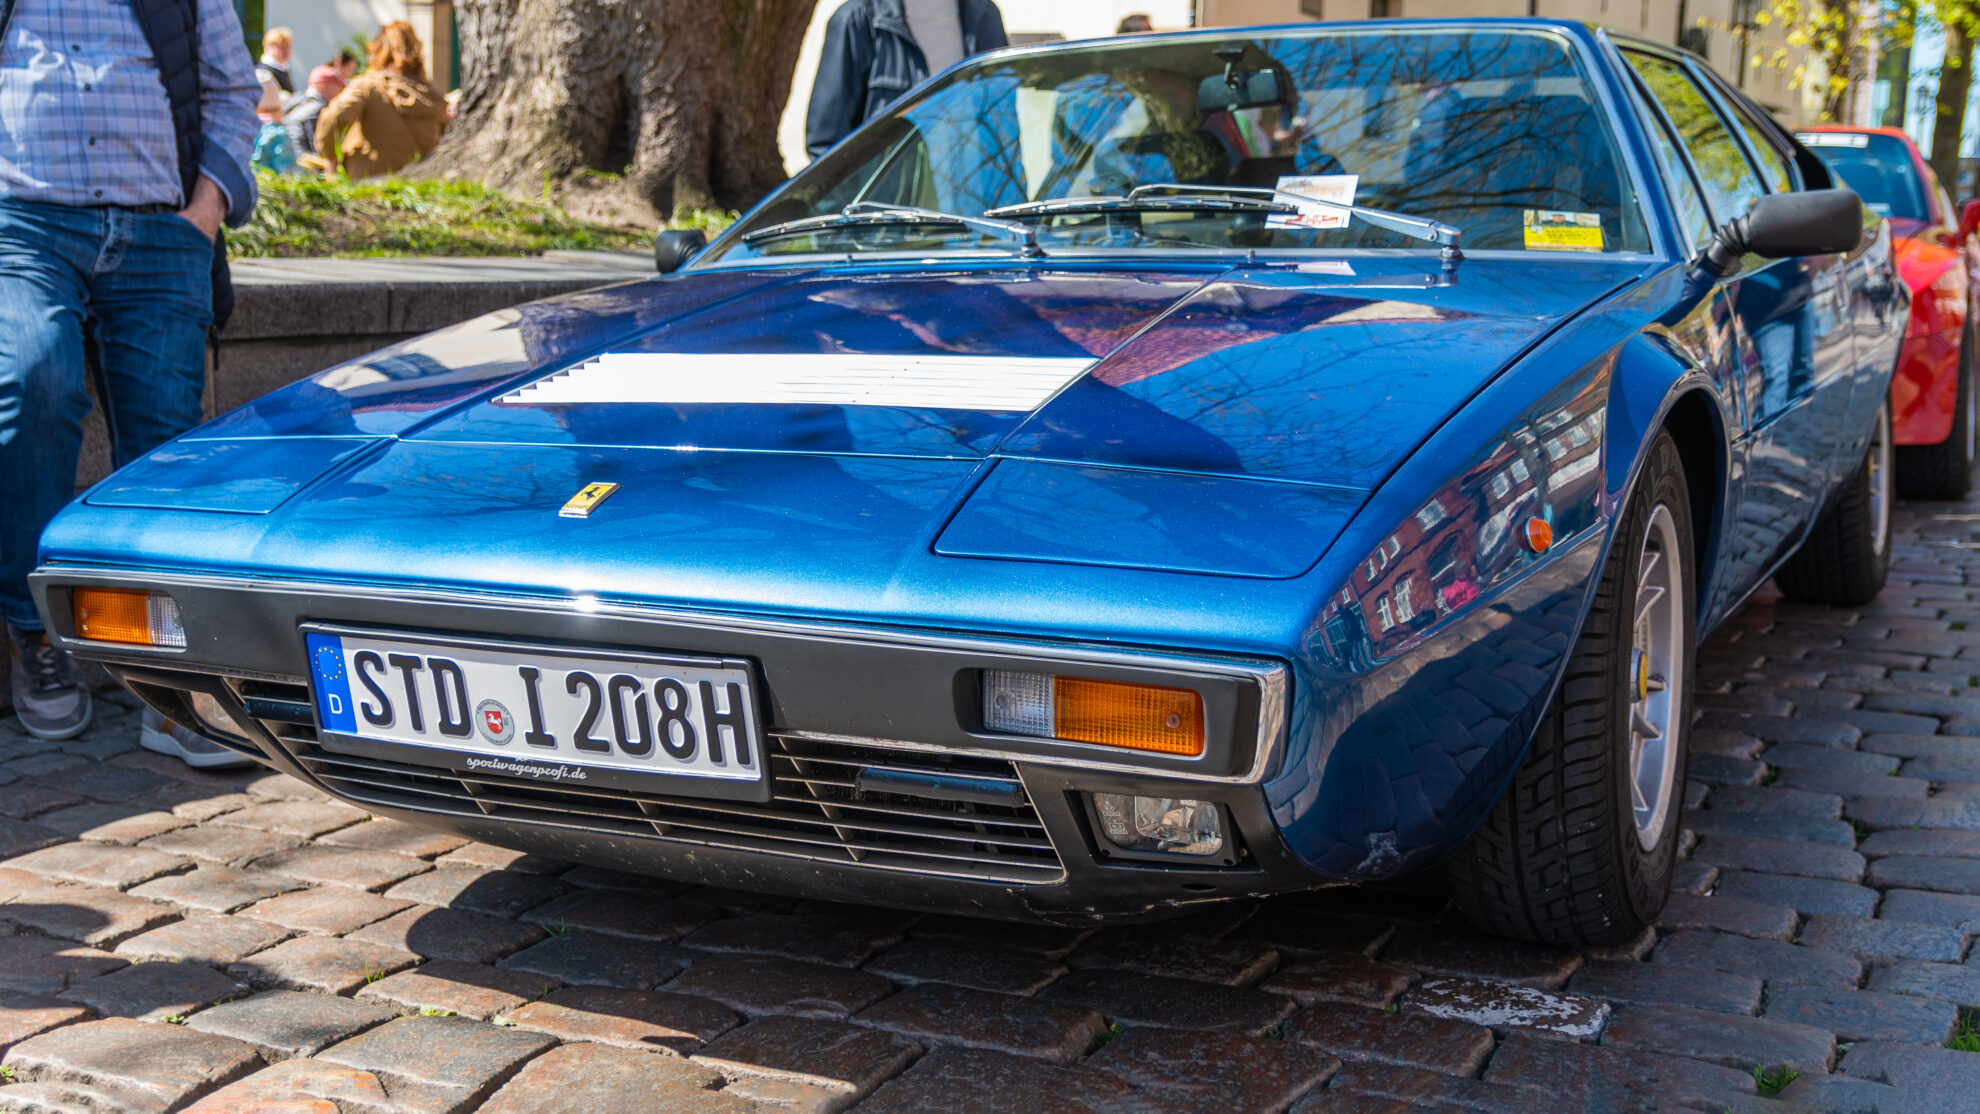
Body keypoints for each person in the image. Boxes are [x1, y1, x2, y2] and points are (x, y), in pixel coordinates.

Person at [0, 0, 262, 765]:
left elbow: (232, 88)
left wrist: (205, 212)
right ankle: (35, 635)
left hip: (162, 228)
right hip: (24, 226)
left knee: (167, 447)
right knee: (34, 382)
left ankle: (171, 688)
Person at [805, 0, 1008, 159]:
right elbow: (826, 146)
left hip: (973, 204)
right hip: (893, 209)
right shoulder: (857, 20)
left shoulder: (984, 15)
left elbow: (1005, 128)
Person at [315, 22, 448, 180]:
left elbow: (333, 118)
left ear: (379, 51)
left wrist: (330, 157)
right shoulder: (432, 95)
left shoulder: (368, 85)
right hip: (421, 186)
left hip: (368, 184)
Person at [284, 52, 358, 157]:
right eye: (338, 86)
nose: (341, 91)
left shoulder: (302, 102)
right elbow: (316, 145)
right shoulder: (318, 108)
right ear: (325, 86)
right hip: (301, 159)